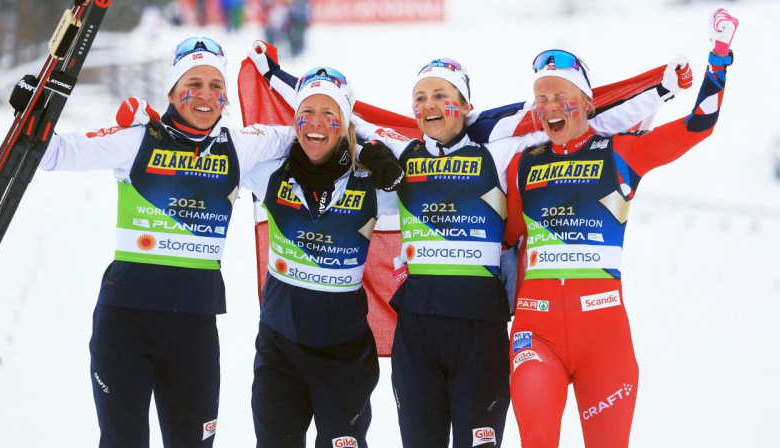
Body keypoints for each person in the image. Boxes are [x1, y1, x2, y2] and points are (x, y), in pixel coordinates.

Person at [247, 44, 690, 447]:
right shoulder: (403, 153)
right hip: (418, 334)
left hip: (480, 333)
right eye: (421, 98)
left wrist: (659, 90)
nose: (430, 105)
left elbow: (579, 116)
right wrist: (276, 79)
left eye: (442, 95)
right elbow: (342, 118)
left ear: (465, 105)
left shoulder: (496, 151)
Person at [38, 37, 298, 448]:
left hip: (194, 331)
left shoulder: (239, 146)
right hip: (125, 325)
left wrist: (279, 80)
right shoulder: (138, 139)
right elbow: (55, 153)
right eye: (193, 84)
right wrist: (34, 111)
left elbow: (310, 132)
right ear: (173, 92)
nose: (206, 96)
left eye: (216, 86)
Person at [504, 9, 738, 448]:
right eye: (542, 100)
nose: (550, 108)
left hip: (603, 338)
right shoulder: (522, 164)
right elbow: (503, 237)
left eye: (561, 96)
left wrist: (719, 58)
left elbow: (698, 126)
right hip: (537, 334)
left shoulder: (621, 153)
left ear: (588, 102)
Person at [242, 66, 403, 448]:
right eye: (306, 112)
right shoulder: (267, 171)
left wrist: (373, 145)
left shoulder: (372, 181)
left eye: (330, 114)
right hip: (279, 349)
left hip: (344, 355)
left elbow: (431, 158)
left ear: (345, 121)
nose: (315, 124)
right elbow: (213, 144)